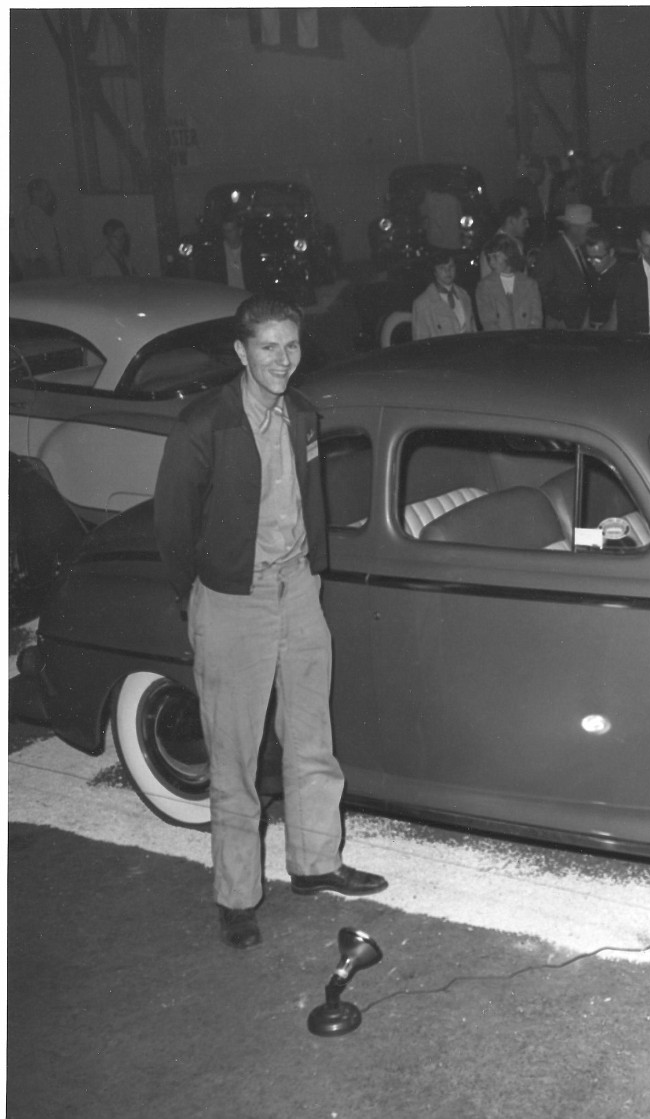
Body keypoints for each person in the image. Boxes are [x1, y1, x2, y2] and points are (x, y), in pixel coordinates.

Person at [152, 294, 387, 950]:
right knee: (235, 756)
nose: (284, 359)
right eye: (269, 347)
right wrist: (200, 597)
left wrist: (310, 572)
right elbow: (172, 523)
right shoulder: (205, 423)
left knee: (313, 736)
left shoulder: (302, 414)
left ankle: (316, 863)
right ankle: (237, 895)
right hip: (234, 600)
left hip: (298, 590)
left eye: (293, 346)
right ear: (240, 352)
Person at [531, 202, 595, 329]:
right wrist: (560, 318)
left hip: (581, 323)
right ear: (575, 228)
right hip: (561, 325)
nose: (589, 233)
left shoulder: (582, 250)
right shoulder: (551, 252)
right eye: (587, 229)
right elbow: (540, 290)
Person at [475, 234, 542, 331]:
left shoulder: (530, 284)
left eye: (495, 257)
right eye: (489, 258)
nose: (491, 263)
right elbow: (488, 322)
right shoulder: (484, 287)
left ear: (508, 255)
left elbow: (536, 319)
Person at [411, 249, 476, 339]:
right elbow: (420, 343)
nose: (448, 271)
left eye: (451, 266)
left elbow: (473, 331)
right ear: (434, 272)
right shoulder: (422, 304)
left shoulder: (464, 295)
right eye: (442, 268)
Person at [198, 213, 265, 294]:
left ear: (240, 231)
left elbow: (257, 280)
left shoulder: (250, 252)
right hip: (226, 297)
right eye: (225, 231)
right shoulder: (217, 252)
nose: (227, 234)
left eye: (231, 231)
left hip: (246, 295)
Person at [15, 177, 63, 278]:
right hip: (44, 268)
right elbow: (49, 251)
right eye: (46, 192)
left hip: (28, 269)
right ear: (36, 193)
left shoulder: (22, 216)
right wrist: (58, 276)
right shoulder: (41, 217)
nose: (50, 197)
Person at [479, 199, 532, 280]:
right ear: (511, 220)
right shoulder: (491, 248)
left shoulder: (519, 244)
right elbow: (488, 286)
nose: (528, 225)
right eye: (524, 220)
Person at [582, 228, 622, 330]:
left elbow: (616, 316)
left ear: (611, 252)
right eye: (589, 257)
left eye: (598, 258)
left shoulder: (622, 275)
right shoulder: (592, 271)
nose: (593, 262)